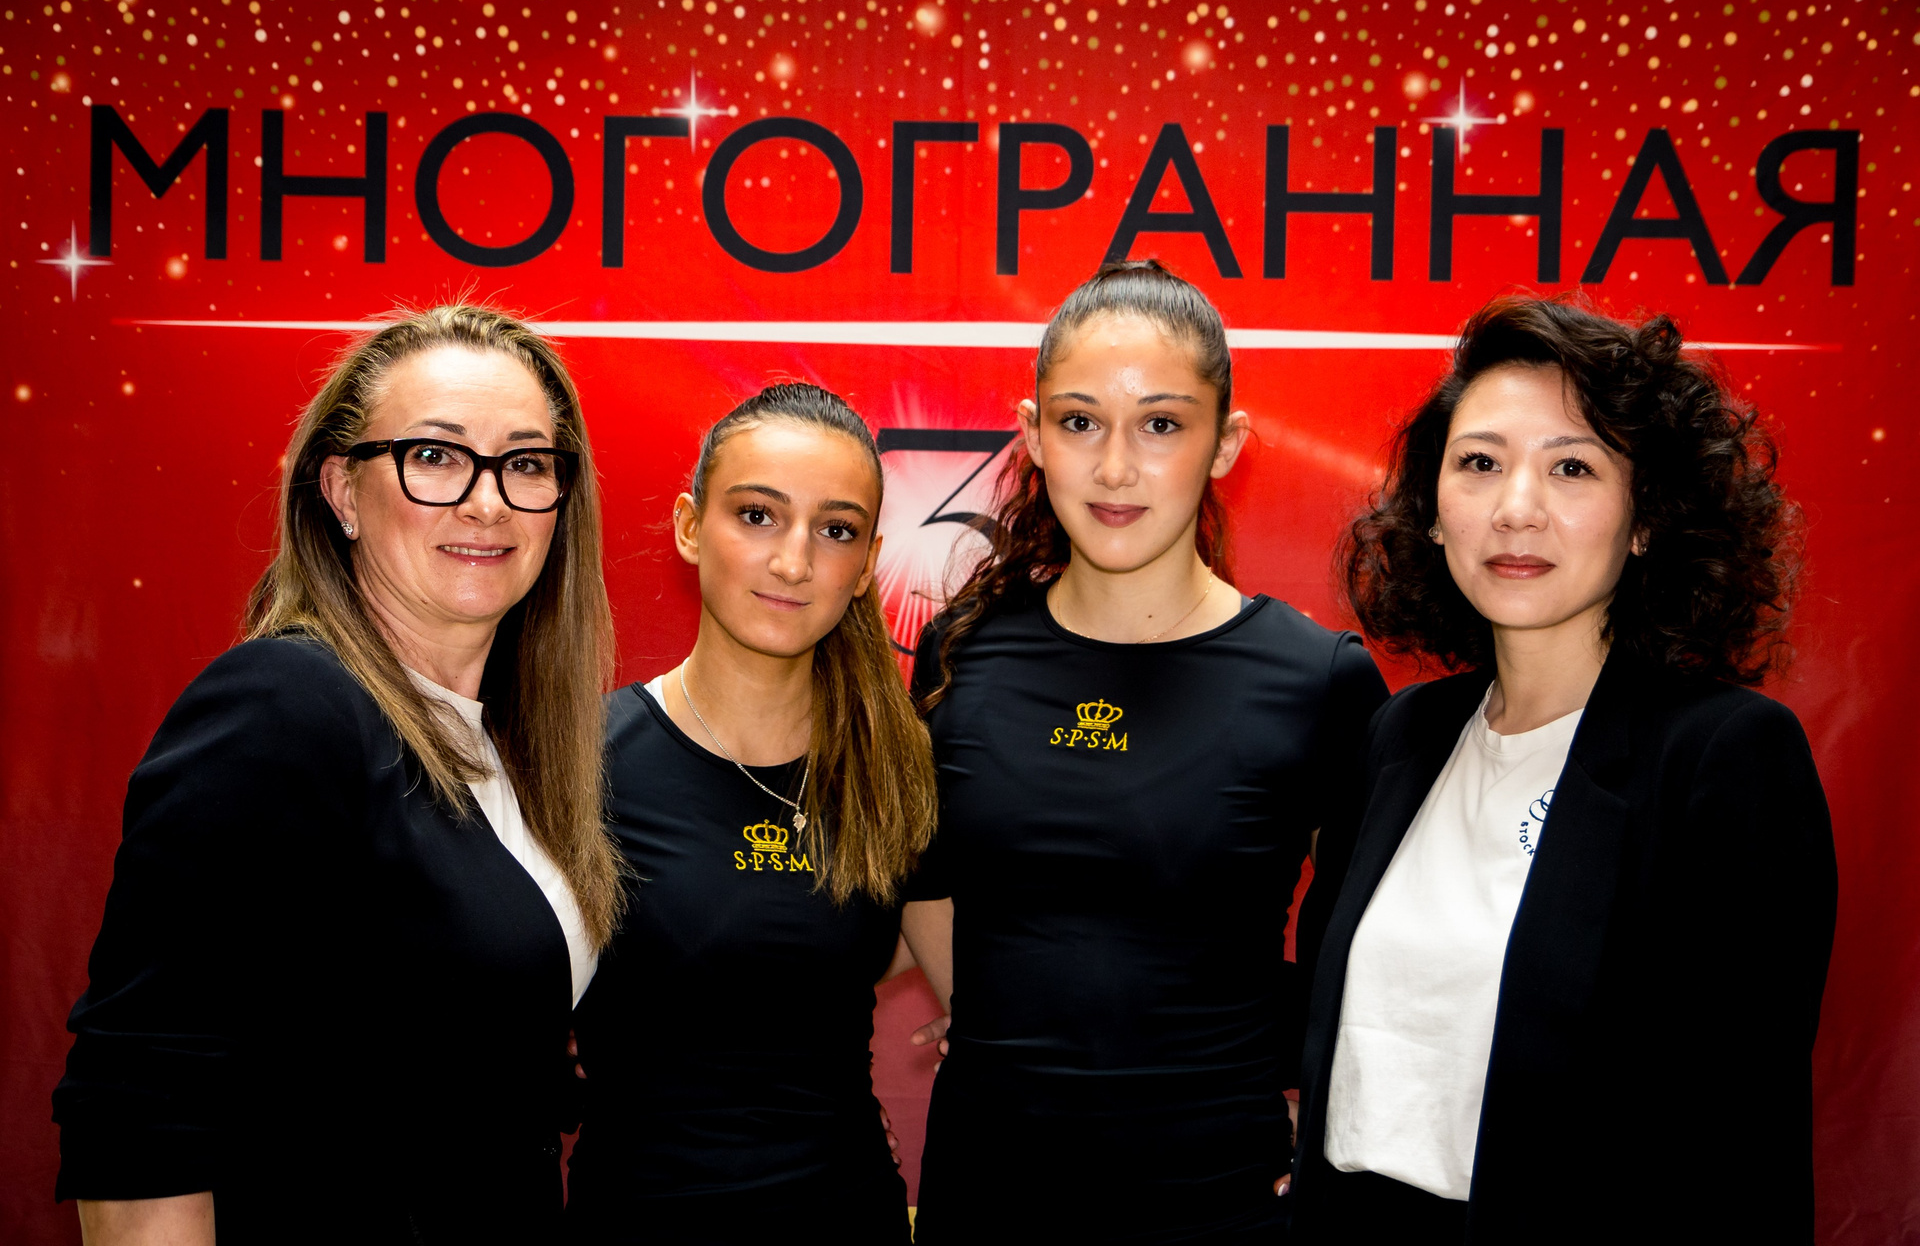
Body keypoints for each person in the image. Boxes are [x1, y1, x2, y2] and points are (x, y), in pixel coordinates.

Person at [52, 305, 620, 1246]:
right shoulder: (284, 706)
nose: (487, 502)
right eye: (434, 456)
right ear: (342, 492)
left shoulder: (513, 749)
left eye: (525, 463)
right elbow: (140, 1105)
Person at [1290, 296, 1837, 1245]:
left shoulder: (1724, 757)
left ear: (1645, 519)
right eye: (1480, 463)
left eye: (1572, 467)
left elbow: (1744, 1141)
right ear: (1432, 512)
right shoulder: (1403, 735)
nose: (1516, 508)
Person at [900, 260, 1389, 1243]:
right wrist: (1016, 1036)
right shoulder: (962, 651)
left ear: (1225, 443)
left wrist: (1325, 1114)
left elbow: (1369, 949)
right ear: (1034, 432)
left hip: (1219, 1205)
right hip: (987, 1201)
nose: (1115, 467)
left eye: (1161, 424)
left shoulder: (1319, 679)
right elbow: (926, 880)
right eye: (1080, 421)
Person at [566, 383, 937, 1244]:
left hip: (847, 1235)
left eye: (835, 530)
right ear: (690, 526)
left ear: (868, 563)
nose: (794, 562)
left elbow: (999, 987)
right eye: (758, 516)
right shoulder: (578, 762)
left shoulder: (901, 772)